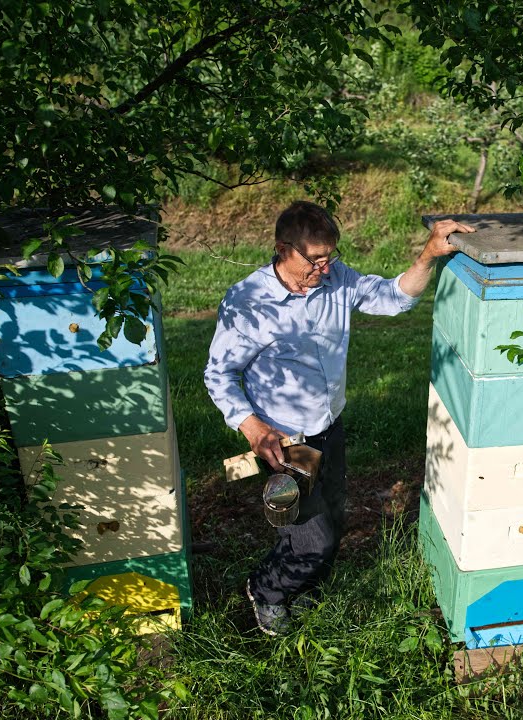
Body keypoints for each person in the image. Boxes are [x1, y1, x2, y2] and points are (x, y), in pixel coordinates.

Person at [202, 200, 474, 636]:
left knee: (330, 517)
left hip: (329, 428)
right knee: (314, 537)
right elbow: (219, 374)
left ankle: (304, 584)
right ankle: (266, 590)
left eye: (331, 257)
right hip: (284, 441)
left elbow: (394, 299)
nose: (325, 268)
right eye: (315, 259)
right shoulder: (247, 302)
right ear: (282, 248)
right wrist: (252, 428)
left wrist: (427, 255)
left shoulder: (337, 281)